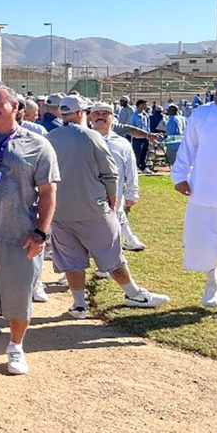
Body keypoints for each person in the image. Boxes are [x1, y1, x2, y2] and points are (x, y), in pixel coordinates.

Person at [47, 96, 169, 318]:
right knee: (111, 254)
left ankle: (79, 304)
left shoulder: (50, 138)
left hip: (60, 210)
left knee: (72, 259)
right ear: (82, 112)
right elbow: (110, 173)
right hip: (94, 208)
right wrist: (113, 199)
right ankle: (133, 293)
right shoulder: (93, 137)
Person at [0, 87, 59, 375]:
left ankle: (16, 347)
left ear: (15, 106)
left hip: (19, 234)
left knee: (19, 297)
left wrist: (41, 233)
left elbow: (47, 192)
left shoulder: (38, 145)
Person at [172, 68, 217, 315]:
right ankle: (212, 283)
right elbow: (187, 149)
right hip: (203, 195)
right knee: (202, 246)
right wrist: (179, 176)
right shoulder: (202, 115)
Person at [87, 103, 146, 252]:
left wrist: (132, 192)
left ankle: (108, 261)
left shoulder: (122, 143)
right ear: (90, 117)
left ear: (113, 118)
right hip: (87, 193)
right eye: (96, 113)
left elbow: (131, 170)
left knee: (113, 221)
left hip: (114, 193)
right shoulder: (82, 140)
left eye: (105, 113)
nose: (100, 116)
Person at [130, 100, 152, 172]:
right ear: (139, 105)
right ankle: (137, 166)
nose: (145, 106)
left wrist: (149, 135)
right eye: (143, 104)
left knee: (145, 152)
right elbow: (132, 127)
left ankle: (143, 166)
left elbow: (148, 126)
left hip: (145, 137)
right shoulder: (134, 116)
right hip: (137, 137)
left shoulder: (146, 115)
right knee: (137, 152)